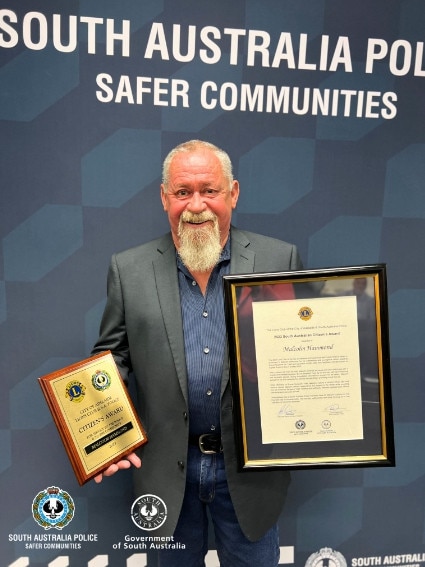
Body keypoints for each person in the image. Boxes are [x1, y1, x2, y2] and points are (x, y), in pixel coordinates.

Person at [92, 139, 303, 566]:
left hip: (249, 474)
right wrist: (101, 435)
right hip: (167, 472)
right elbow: (112, 359)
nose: (196, 205)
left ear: (233, 193)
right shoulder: (128, 269)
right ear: (164, 196)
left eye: (210, 190)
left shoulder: (279, 258)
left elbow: (300, 351)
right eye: (183, 192)